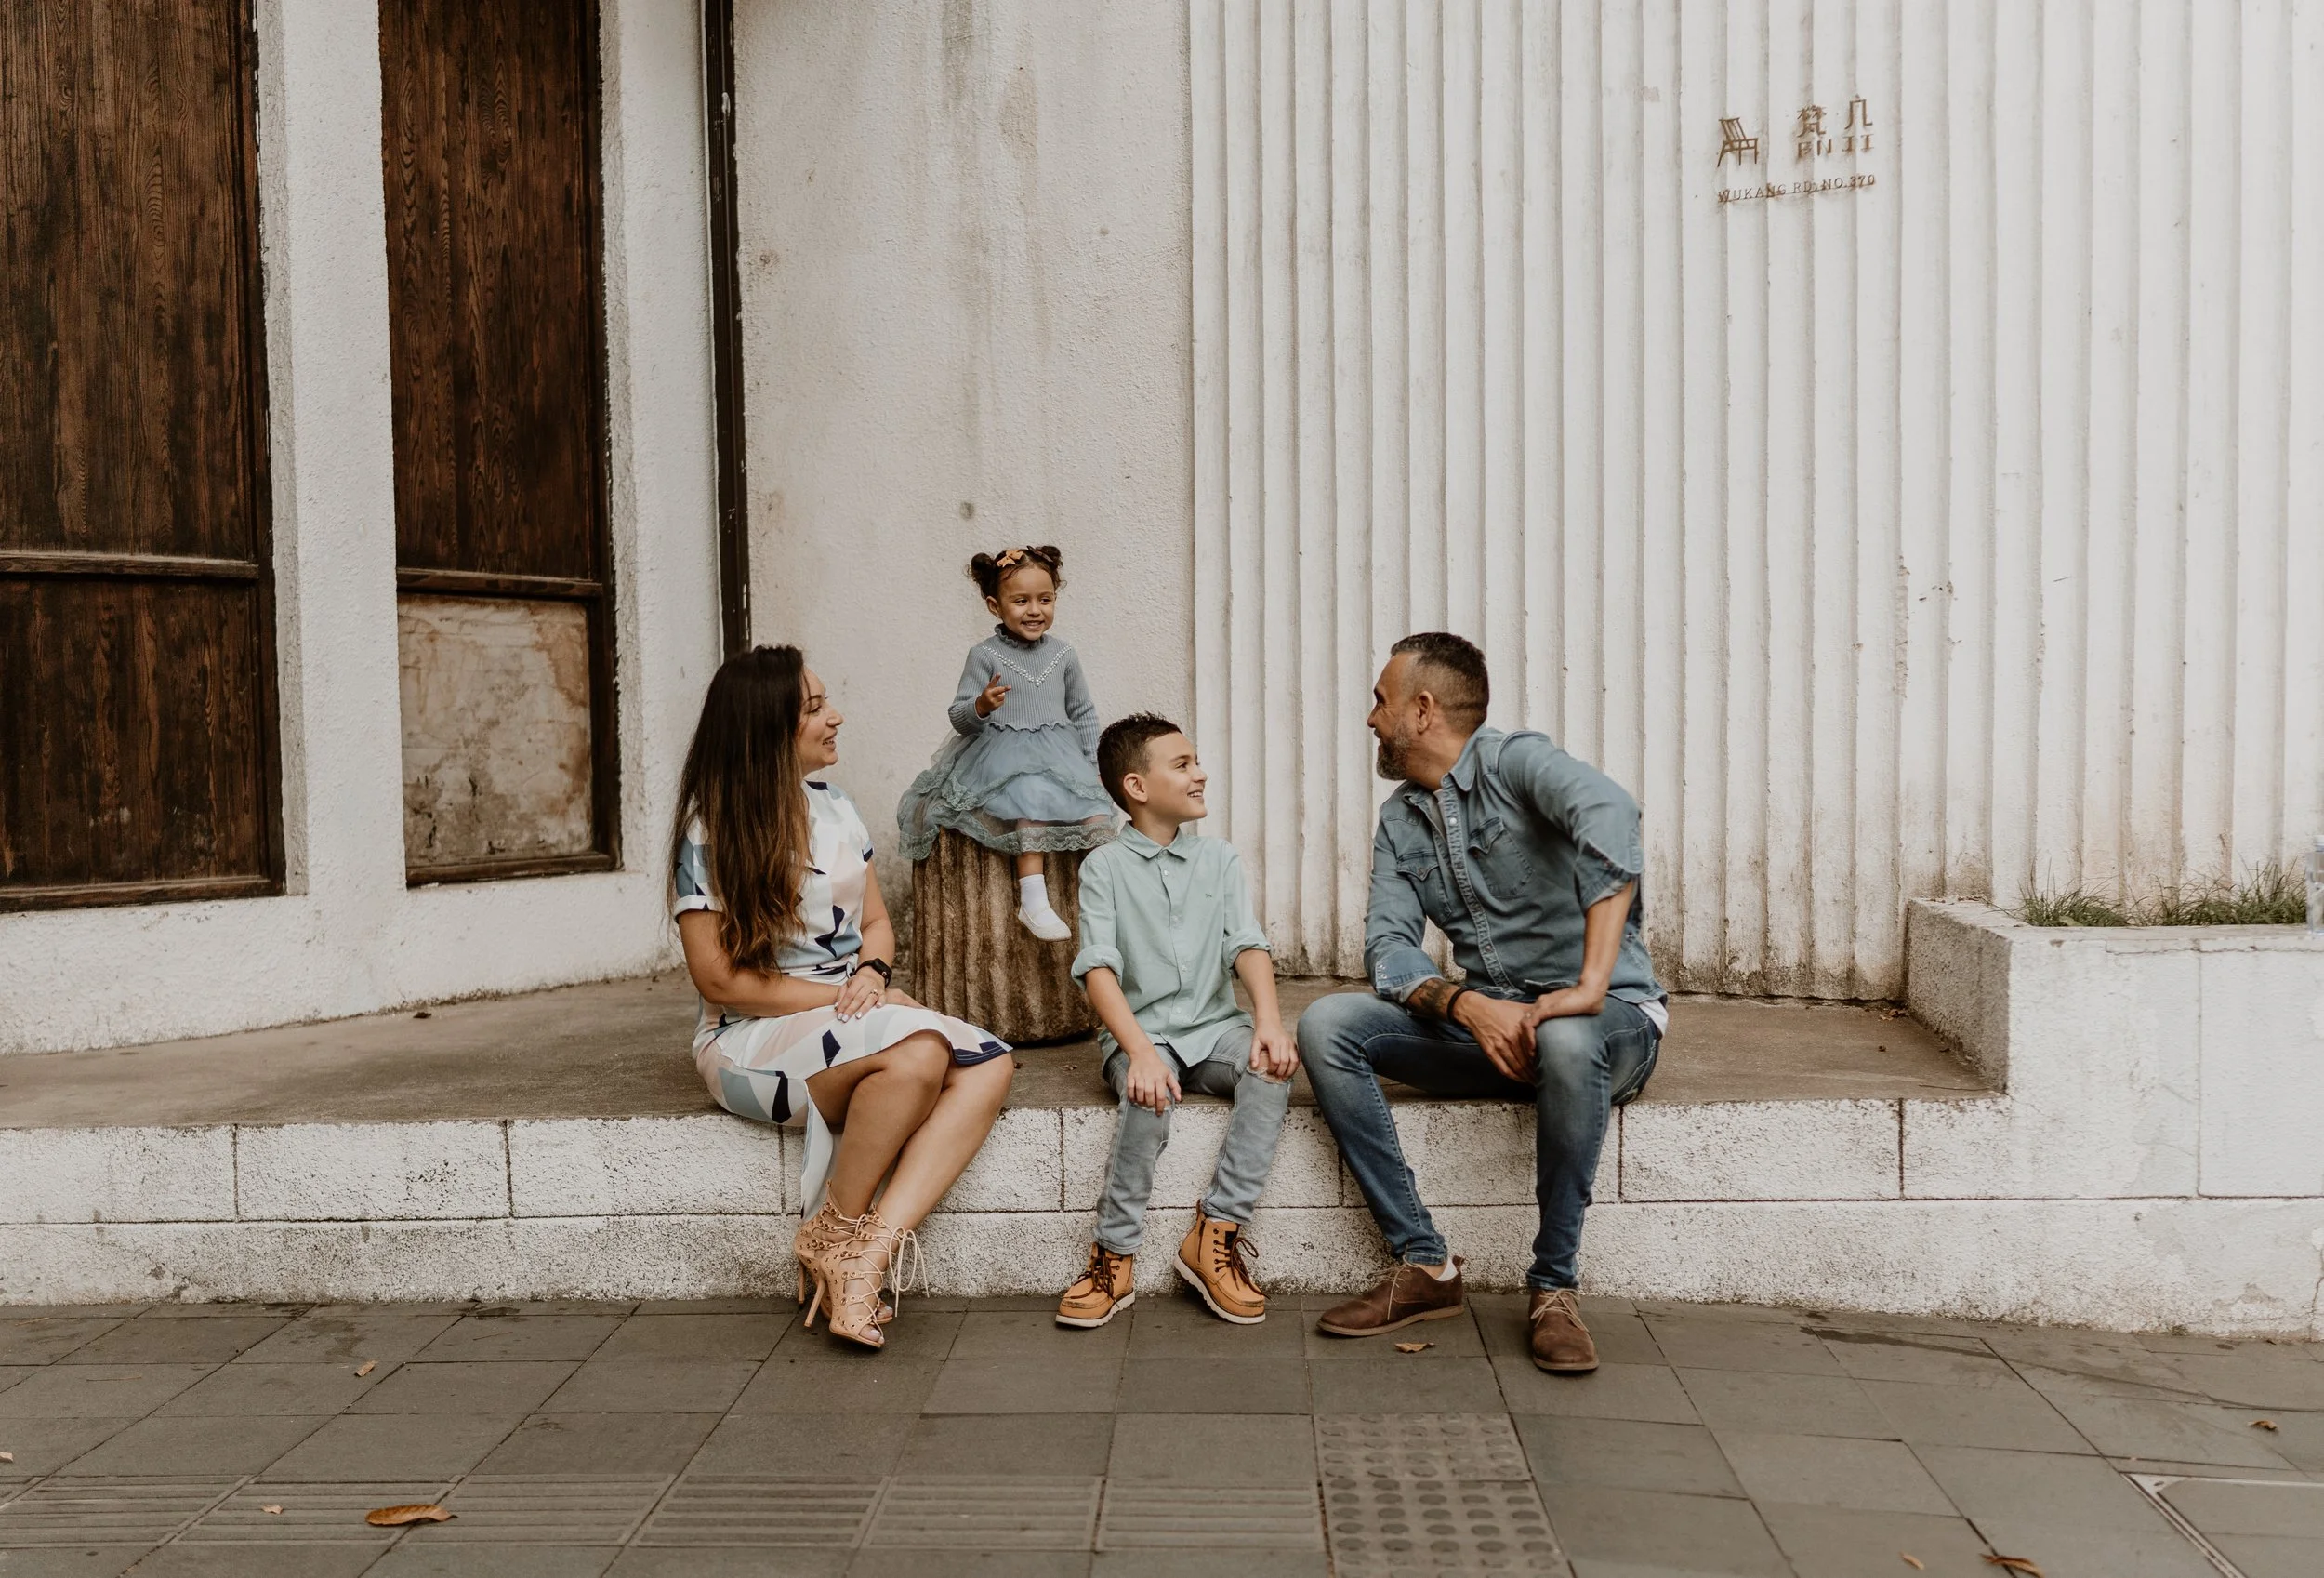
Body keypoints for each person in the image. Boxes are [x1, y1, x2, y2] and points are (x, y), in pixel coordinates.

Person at [1299, 632, 1667, 1372]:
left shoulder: (1515, 761)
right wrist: (1467, 1005)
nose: (1371, 718)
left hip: (1610, 1024)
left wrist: (1590, 983)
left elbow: (1613, 814)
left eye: (1381, 701)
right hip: (1494, 1028)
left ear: (1423, 710)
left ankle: (1554, 1286)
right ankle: (1424, 1262)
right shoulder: (1401, 819)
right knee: (1327, 1024)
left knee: (1567, 1038)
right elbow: (1389, 949)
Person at [672, 645, 1015, 1350]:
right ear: (768, 728)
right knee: (918, 1051)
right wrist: (842, 1003)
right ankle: (839, 1231)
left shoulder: (836, 810)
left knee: (989, 1062)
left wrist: (873, 977)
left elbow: (878, 924)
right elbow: (717, 979)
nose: (836, 716)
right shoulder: (710, 829)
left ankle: (860, 1250)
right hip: (751, 1037)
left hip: (846, 1013)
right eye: (815, 706)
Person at [1054, 714, 1298, 1328]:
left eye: (1197, 761)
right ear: (1137, 786)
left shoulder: (1219, 859)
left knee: (1270, 1069)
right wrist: (1137, 1049)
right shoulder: (1104, 868)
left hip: (1215, 1026)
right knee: (1151, 1090)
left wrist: (1268, 1019)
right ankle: (1114, 1253)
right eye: (1183, 764)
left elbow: (1246, 941)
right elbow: (1098, 967)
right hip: (1143, 1035)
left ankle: (1216, 1233)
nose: (1200, 773)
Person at [895, 545, 1116, 940]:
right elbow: (959, 717)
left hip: (1059, 755)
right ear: (995, 606)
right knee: (1029, 801)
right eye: (1021, 601)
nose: (1035, 610)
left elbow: (1082, 712)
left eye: (1045, 599)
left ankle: (1103, 899)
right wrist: (981, 705)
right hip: (1003, 756)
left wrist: (1092, 767)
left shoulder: (1064, 654)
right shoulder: (985, 656)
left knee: (1098, 814)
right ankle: (1033, 900)